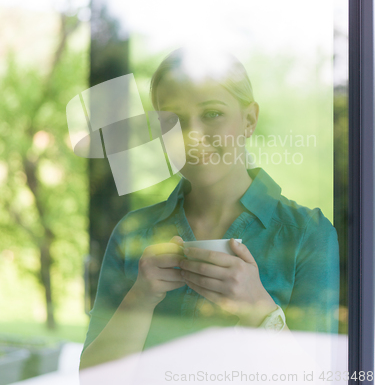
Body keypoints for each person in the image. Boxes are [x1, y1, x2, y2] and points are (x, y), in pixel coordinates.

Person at [79, 48, 339, 371]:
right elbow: (93, 378)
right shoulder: (132, 233)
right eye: (171, 120)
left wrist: (259, 309)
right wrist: (141, 297)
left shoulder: (308, 235)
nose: (193, 136)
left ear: (249, 120)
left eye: (213, 113)